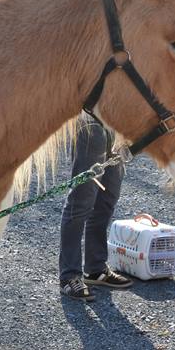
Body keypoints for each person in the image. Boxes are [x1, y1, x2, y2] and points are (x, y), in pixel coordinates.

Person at [58, 113, 132, 300]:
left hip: (119, 123)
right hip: (90, 120)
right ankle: (69, 276)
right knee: (81, 201)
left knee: (107, 200)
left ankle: (95, 268)